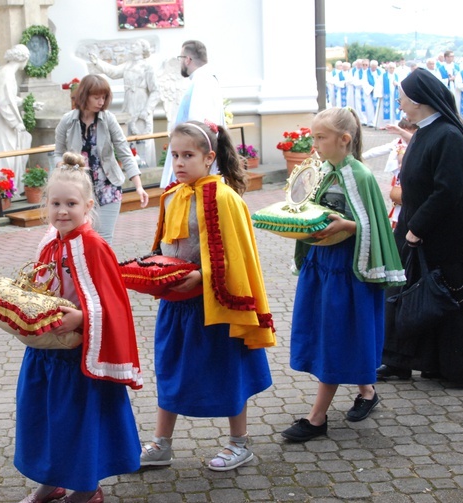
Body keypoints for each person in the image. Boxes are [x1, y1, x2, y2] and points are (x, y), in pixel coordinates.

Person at [139, 120, 274, 471]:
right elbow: (166, 246)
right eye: (174, 155)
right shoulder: (170, 195)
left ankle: (239, 443)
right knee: (170, 369)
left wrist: (201, 276)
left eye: (188, 155)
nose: (180, 162)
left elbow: (237, 258)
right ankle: (161, 443)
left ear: (209, 157)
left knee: (228, 370)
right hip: (177, 306)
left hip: (216, 307)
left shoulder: (225, 198)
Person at [14, 152, 142, 503]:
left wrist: (83, 319)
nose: (62, 211)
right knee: (46, 420)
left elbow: (115, 305)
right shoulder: (49, 244)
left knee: (76, 425)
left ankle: (86, 489)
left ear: (88, 206)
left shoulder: (96, 246)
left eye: (71, 203)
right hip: (47, 354)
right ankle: (49, 482)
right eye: (55, 203)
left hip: (79, 358)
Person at [280, 108, 405, 443]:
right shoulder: (324, 170)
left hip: (347, 271)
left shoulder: (360, 175)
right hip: (323, 267)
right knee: (334, 334)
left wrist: (347, 225)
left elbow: (374, 226)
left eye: (321, 137)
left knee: (334, 339)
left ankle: (317, 417)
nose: (314, 143)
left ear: (343, 139)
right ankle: (367, 391)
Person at [377, 68, 463, 385]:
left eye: (402, 95)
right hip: (414, 229)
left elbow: (447, 191)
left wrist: (417, 228)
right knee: (402, 294)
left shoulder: (449, 136)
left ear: (417, 100)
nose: (399, 100)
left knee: (439, 299)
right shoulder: (429, 130)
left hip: (437, 236)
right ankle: (400, 360)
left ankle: (448, 367)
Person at [54, 74, 149, 243]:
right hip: (78, 189)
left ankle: (103, 270)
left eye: (104, 97)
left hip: (108, 187)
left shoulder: (108, 120)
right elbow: (57, 152)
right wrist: (63, 168)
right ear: (84, 96)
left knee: (103, 240)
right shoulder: (67, 121)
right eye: (96, 97)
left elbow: (124, 152)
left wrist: (139, 186)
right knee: (78, 239)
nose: (101, 102)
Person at [159, 40, 225, 187]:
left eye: (180, 58)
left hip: (193, 166)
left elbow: (197, 128)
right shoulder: (207, 80)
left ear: (188, 59)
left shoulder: (201, 83)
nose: (180, 63)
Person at [89, 39, 160, 168]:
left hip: (141, 102)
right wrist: (97, 62)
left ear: (143, 49)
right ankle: (130, 166)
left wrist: (147, 110)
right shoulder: (128, 65)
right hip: (129, 102)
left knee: (142, 137)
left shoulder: (147, 67)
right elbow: (114, 72)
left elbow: (156, 91)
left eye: (136, 44)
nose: (133, 45)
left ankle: (146, 166)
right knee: (127, 136)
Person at [0, 45, 33, 192]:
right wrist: (15, 123)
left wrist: (30, 103)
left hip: (4, 120)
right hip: (4, 122)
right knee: (5, 157)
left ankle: (9, 190)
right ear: (23, 58)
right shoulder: (7, 73)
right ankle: (5, 191)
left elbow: (9, 99)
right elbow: (3, 103)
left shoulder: (5, 71)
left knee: (9, 155)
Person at [362, 118, 418, 229]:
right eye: (403, 131)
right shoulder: (398, 143)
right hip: (398, 180)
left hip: (413, 181)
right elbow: (378, 150)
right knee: (398, 203)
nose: (404, 135)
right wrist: (360, 157)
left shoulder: (418, 143)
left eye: (408, 131)